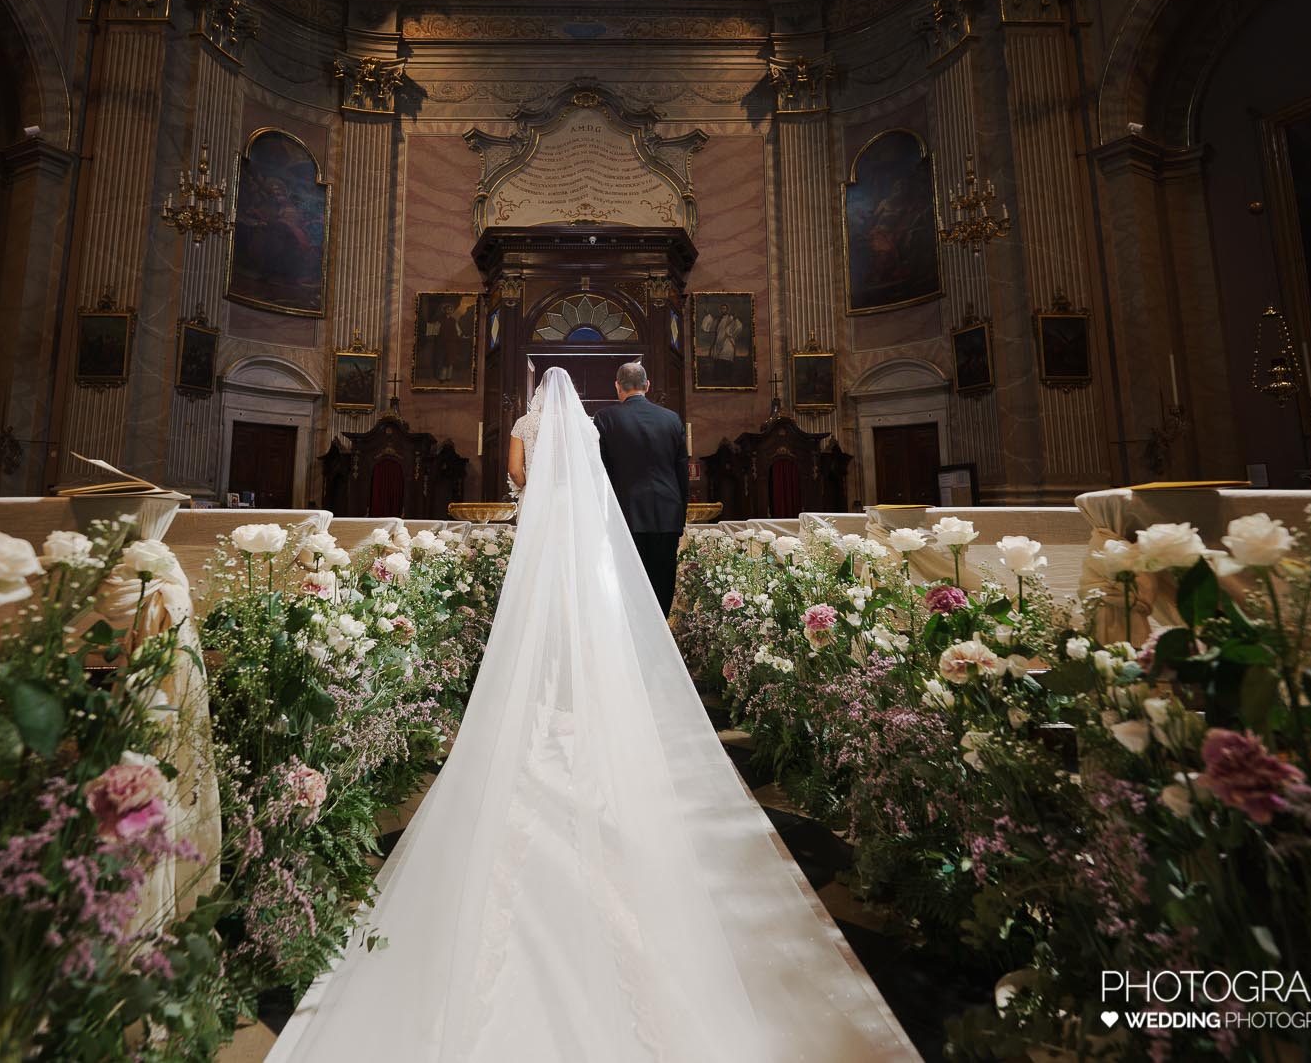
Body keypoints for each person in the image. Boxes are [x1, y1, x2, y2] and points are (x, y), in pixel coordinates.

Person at [267, 367, 915, 1063]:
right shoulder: (609, 424)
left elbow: (519, 478)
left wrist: (537, 490)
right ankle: (604, 678)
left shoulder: (538, 425)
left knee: (535, 611)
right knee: (621, 606)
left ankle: (544, 689)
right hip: (626, 518)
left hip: (554, 524)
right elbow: (644, 472)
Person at [590, 359, 688, 616]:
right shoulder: (671, 419)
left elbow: (600, 472)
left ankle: (635, 638)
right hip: (667, 514)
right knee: (663, 582)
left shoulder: (605, 418)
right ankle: (660, 634)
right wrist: (680, 516)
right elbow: (682, 473)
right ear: (647, 385)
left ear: (617, 386)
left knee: (629, 585)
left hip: (626, 514)